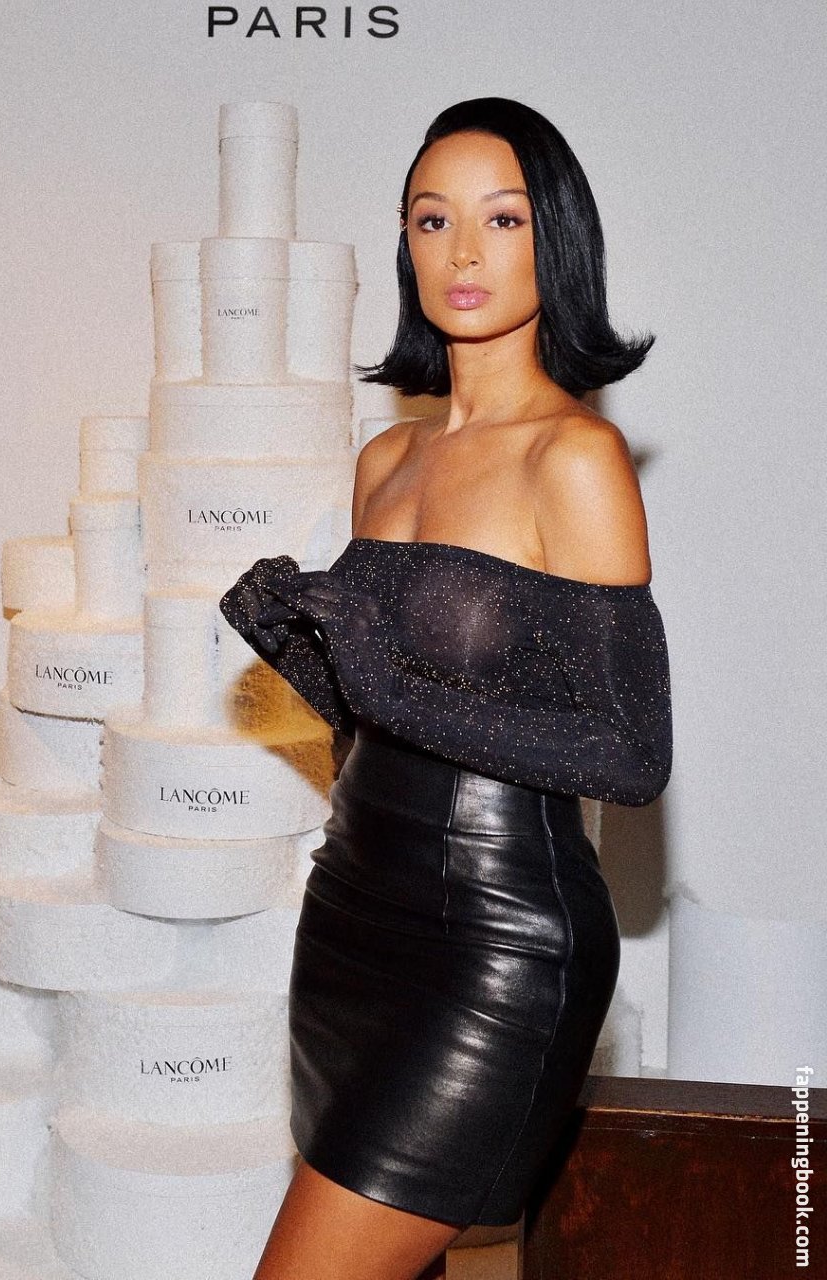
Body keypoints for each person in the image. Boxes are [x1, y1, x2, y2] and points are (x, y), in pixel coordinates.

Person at [220, 96, 673, 1280]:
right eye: (432, 219)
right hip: (348, 922)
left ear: (553, 240)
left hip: (497, 943)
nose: (463, 251)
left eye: (501, 218)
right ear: (405, 243)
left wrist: (380, 672)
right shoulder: (387, 456)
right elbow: (382, 717)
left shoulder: (574, 456)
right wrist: (301, 653)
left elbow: (630, 753)